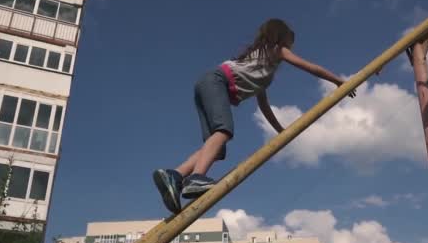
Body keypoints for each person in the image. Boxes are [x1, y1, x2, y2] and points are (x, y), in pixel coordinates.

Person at [153, 18, 357, 213]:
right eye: (290, 42)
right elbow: (310, 67)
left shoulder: (261, 65)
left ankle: (175, 175)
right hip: (216, 82)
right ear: (281, 38)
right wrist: (339, 81)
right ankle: (196, 177)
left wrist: (280, 131)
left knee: (217, 149)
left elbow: (264, 105)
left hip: (206, 84)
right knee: (223, 130)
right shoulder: (276, 50)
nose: (291, 48)